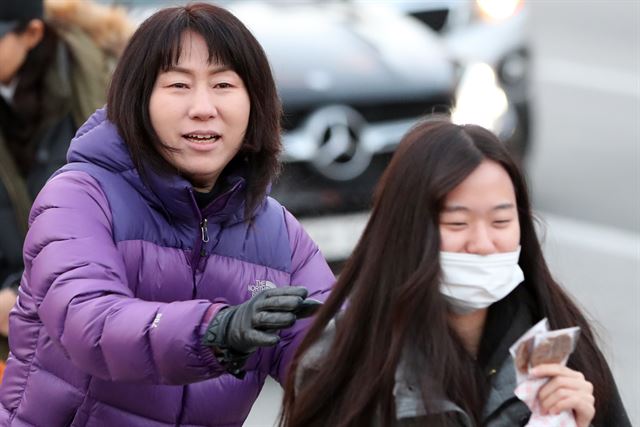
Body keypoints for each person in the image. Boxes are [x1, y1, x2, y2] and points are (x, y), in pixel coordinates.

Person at [0, 3, 335, 426]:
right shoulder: (79, 196)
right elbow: (90, 324)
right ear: (138, 99)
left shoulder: (279, 234)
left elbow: (332, 358)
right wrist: (217, 331)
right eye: (178, 85)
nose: (203, 107)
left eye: (224, 85)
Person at [281, 118, 631, 427]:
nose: (482, 243)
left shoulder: (560, 348)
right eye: (457, 222)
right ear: (407, 229)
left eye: (501, 221)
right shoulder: (345, 359)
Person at [0, 0, 132, 363]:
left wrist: (30, 294)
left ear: (31, 33)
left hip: (94, 321)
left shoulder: (107, 87)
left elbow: (135, 216)